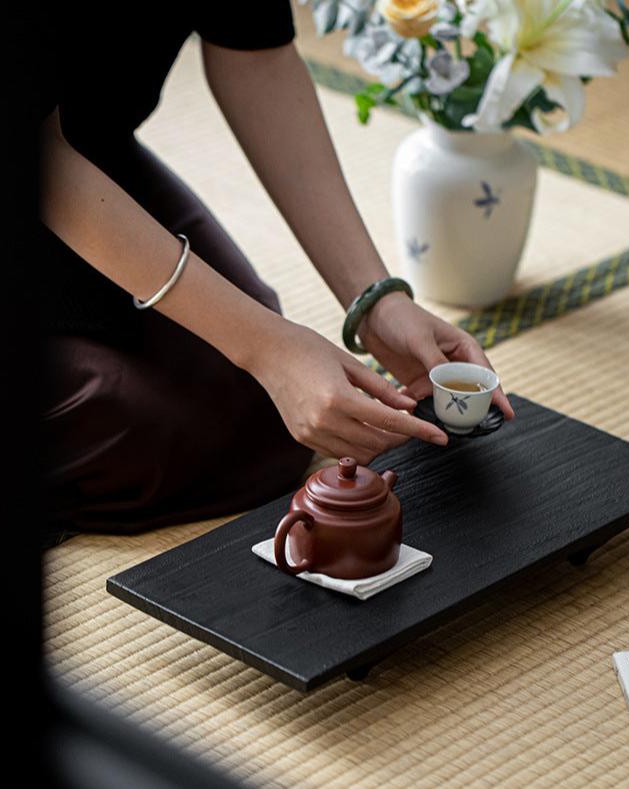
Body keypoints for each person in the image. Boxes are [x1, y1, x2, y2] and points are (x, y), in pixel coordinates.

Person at [38, 2, 514, 545]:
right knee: (130, 432)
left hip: (90, 156)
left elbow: (256, 58)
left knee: (267, 412)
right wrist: (268, 348)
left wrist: (376, 300)